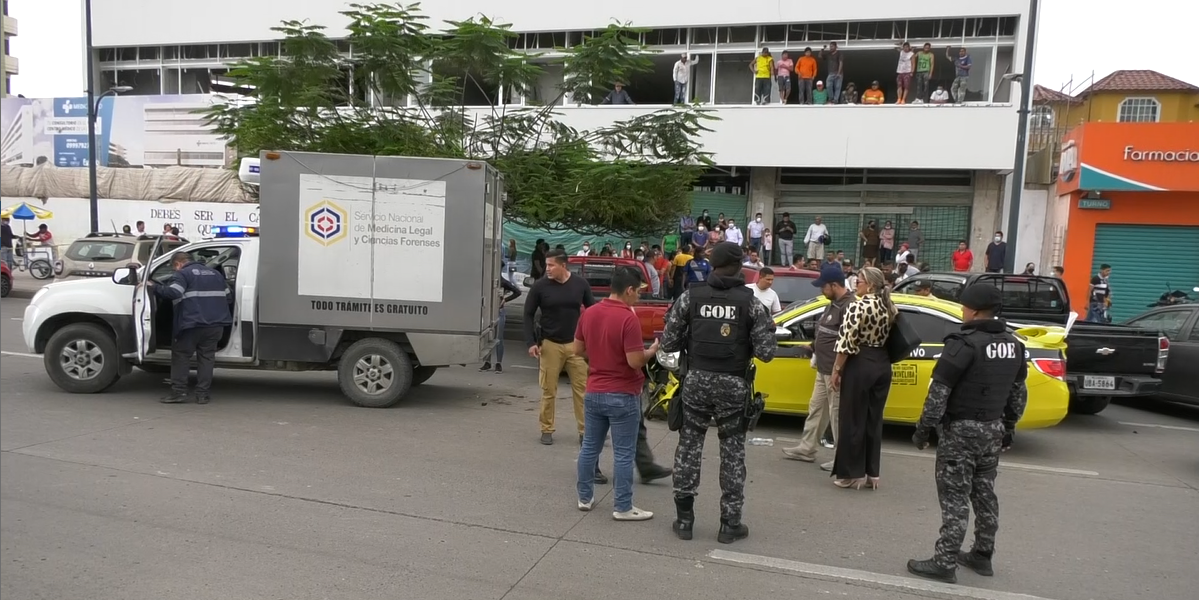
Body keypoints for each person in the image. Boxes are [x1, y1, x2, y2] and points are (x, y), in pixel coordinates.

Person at [907, 284, 1028, 584]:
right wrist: (1009, 428)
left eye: (963, 307)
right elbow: (1018, 394)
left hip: (961, 432)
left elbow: (938, 394)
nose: (962, 311)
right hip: (992, 429)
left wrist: (923, 431)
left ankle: (945, 561)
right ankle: (983, 554)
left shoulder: (962, 344)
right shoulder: (1013, 344)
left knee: (954, 497)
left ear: (973, 310)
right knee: (985, 492)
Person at [661, 242, 776, 543]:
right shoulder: (751, 304)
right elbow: (766, 353)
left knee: (688, 448)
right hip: (733, 385)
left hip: (696, 381)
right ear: (739, 267)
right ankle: (729, 524)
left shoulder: (690, 297)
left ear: (712, 265)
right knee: (733, 454)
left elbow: (669, 342)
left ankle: (684, 520)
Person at [574, 266, 661, 521]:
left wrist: (600, 359)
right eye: (638, 293)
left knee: (590, 447)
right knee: (623, 453)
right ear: (629, 290)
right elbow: (634, 361)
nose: (639, 298)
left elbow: (578, 349)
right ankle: (623, 506)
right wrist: (652, 350)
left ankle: (584, 497)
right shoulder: (628, 318)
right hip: (622, 393)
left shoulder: (589, 313)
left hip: (594, 391)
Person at [525, 250, 599, 455]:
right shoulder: (540, 286)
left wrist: (593, 340)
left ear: (563, 265)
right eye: (546, 265)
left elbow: (591, 310)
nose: (546, 269)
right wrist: (531, 342)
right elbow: (528, 313)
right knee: (549, 390)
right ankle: (546, 428)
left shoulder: (580, 284)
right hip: (550, 344)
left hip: (575, 344)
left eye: (551, 265)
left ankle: (585, 431)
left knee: (583, 390)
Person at [782, 263, 853, 471]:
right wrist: (813, 346)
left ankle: (843, 458)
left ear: (834, 285)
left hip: (836, 371)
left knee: (837, 415)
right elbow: (826, 332)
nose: (821, 290)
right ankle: (807, 448)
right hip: (823, 368)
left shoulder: (850, 306)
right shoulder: (832, 303)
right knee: (816, 409)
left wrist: (838, 371)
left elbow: (848, 341)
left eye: (823, 286)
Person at [829, 266, 896, 489]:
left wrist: (837, 370)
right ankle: (872, 473)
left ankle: (850, 474)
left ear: (871, 285)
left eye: (859, 281)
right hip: (882, 363)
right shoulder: (889, 305)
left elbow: (846, 342)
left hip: (861, 363)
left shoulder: (858, 306)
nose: (856, 284)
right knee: (873, 419)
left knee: (851, 419)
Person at [150, 252, 234, 404]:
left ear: (178, 264)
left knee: (181, 357)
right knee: (207, 359)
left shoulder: (183, 274)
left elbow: (174, 292)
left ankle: (179, 392)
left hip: (191, 325)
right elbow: (228, 297)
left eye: (174, 268)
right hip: (215, 325)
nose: (175, 271)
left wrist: (154, 287)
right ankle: (202, 395)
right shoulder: (216, 274)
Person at [480, 276, 521, 374]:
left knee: (499, 337)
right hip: (488, 311)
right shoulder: (487, 279)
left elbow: (518, 292)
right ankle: (488, 362)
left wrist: (505, 299)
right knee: (488, 336)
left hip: (499, 310)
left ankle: (498, 363)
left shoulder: (502, 281)